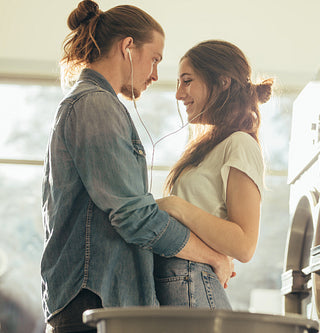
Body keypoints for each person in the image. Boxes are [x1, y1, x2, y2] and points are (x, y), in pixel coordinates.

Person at [41, 2, 232, 332]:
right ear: (127, 47)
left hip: (93, 300)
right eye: (155, 58)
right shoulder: (95, 105)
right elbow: (134, 216)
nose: (156, 74)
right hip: (94, 301)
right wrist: (212, 256)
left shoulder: (95, 103)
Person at [154, 40, 274, 309]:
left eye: (187, 81)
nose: (178, 94)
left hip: (192, 283)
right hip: (182, 281)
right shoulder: (209, 147)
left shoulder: (240, 144)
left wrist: (175, 207)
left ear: (222, 82)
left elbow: (244, 245)